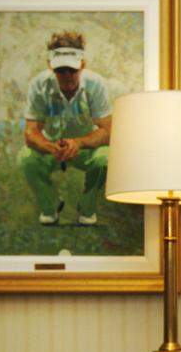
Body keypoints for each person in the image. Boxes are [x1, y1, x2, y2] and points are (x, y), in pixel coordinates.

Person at [17, 31, 112, 226]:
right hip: (52, 146)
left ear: (82, 65)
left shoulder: (95, 84)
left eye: (72, 69)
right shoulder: (39, 84)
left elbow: (108, 130)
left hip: (85, 147)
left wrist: (78, 143)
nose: (67, 75)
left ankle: (87, 206)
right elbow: (31, 131)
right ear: (50, 66)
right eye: (61, 70)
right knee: (26, 157)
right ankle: (50, 205)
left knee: (106, 158)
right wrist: (49, 146)